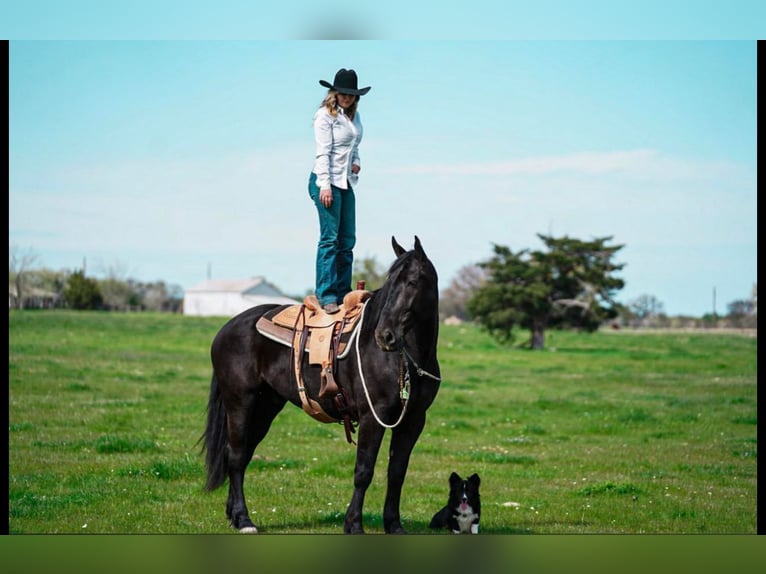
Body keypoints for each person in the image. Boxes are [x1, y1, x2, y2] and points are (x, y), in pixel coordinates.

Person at [308, 68, 371, 314]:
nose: (346, 97)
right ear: (335, 93)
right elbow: (323, 151)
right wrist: (324, 185)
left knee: (347, 240)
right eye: (342, 93)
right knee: (330, 239)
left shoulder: (353, 117)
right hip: (326, 181)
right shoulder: (325, 116)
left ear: (356, 96)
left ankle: (344, 293)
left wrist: (357, 161)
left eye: (351, 94)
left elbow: (353, 145)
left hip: (345, 182)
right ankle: (326, 295)